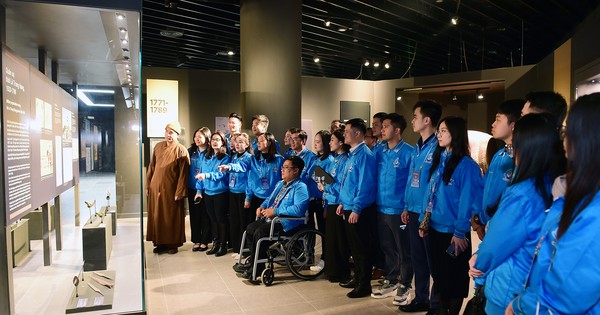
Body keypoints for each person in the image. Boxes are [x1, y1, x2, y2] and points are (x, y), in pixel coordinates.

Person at [507, 93, 600, 315]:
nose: (563, 137)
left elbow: (563, 296)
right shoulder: (576, 194)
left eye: (569, 131)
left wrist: (519, 306)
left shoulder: (593, 214)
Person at [468, 113, 565, 315]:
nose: (512, 152)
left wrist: (479, 266)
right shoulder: (556, 185)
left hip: (509, 289)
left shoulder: (522, 194)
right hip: (534, 289)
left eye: (515, 146)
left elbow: (497, 243)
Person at [420, 116, 483, 315]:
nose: (438, 134)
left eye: (444, 131)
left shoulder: (467, 166)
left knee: (454, 279)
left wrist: (459, 231)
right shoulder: (439, 160)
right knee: (439, 274)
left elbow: (467, 203)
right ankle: (438, 309)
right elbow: (429, 193)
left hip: (454, 233)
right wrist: (424, 220)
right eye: (438, 130)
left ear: (455, 134)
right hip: (435, 228)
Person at [234, 156, 309, 281]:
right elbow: (270, 199)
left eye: (286, 167)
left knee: (260, 233)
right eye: (283, 167)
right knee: (250, 228)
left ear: (296, 170)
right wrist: (262, 206)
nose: (282, 170)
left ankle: (256, 269)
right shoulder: (281, 184)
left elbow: (299, 210)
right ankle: (254, 262)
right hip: (274, 220)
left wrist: (275, 211)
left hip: (287, 223)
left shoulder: (300, 187)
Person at [400, 99, 443, 313]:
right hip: (414, 210)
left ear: (427, 120)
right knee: (418, 259)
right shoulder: (417, 146)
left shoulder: (438, 148)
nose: (413, 120)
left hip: (429, 214)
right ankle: (421, 298)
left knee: (432, 260)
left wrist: (427, 212)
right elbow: (412, 178)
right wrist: (407, 206)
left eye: (415, 116)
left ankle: (437, 303)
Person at [371, 113, 414, 301]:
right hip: (381, 208)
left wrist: (406, 207)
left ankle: (405, 284)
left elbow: (412, 183)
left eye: (386, 126)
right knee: (387, 247)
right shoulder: (380, 152)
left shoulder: (409, 152)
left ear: (397, 130)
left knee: (404, 250)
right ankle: (391, 279)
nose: (382, 130)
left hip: (399, 210)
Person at [472, 99, 525, 239]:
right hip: (488, 224)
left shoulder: (520, 159)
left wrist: (482, 218)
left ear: (513, 125)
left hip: (506, 228)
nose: (493, 124)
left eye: (498, 120)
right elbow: (483, 187)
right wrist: (478, 218)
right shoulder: (499, 155)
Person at [337, 118, 377, 298]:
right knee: (354, 247)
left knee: (361, 248)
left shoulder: (365, 155)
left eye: (347, 131)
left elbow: (365, 185)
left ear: (358, 133)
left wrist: (356, 208)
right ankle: (358, 277)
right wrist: (342, 203)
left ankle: (364, 284)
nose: (344, 134)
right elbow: (348, 182)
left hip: (358, 208)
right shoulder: (352, 154)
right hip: (348, 205)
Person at [146, 121, 190, 255]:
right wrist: (148, 185)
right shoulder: (158, 146)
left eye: (171, 132)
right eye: (166, 131)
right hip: (155, 188)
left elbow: (184, 173)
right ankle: (159, 242)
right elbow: (152, 167)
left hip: (171, 189)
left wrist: (180, 191)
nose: (168, 135)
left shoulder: (181, 150)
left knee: (171, 217)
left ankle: (172, 244)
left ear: (177, 134)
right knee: (157, 215)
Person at [219, 132, 284, 220]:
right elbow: (241, 166)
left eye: (261, 141)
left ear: (269, 143)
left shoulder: (279, 160)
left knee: (269, 226)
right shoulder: (253, 159)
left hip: (272, 197)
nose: (258, 144)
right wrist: (228, 167)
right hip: (256, 197)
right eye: (258, 141)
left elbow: (283, 180)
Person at [319, 129, 351, 283]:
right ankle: (332, 270)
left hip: (337, 202)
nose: (330, 143)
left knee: (339, 240)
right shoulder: (336, 159)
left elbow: (340, 186)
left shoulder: (345, 160)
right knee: (331, 239)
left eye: (332, 140)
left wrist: (325, 186)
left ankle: (341, 271)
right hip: (330, 201)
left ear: (341, 142)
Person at [195, 131, 230, 257]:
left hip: (220, 193)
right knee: (213, 219)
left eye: (218, 140)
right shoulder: (206, 157)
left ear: (222, 143)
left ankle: (223, 245)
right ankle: (215, 244)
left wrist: (206, 176)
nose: (215, 142)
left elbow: (220, 175)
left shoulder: (225, 157)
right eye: (213, 139)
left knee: (221, 219)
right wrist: (199, 191)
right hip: (208, 193)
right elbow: (200, 175)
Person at [227, 133, 254, 259]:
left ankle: (245, 250)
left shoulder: (249, 158)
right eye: (236, 142)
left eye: (241, 142)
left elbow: (247, 176)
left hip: (243, 194)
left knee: (244, 223)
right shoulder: (234, 157)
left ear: (247, 144)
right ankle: (237, 248)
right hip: (233, 192)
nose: (238, 144)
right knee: (235, 222)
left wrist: (248, 197)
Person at [188, 127, 212, 252]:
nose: (197, 139)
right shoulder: (191, 151)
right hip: (192, 187)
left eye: (200, 137)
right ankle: (196, 240)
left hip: (206, 188)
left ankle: (205, 241)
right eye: (196, 136)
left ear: (207, 138)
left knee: (205, 215)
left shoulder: (210, 152)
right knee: (194, 215)